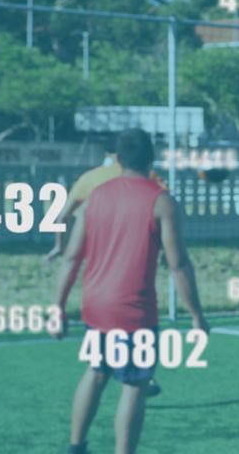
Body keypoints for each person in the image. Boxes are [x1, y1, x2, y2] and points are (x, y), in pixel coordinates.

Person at [54, 128, 210, 454]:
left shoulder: (95, 199)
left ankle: (75, 453)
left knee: (95, 372)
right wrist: (197, 315)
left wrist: (57, 307)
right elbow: (179, 265)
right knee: (135, 385)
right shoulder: (161, 201)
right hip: (133, 311)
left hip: (95, 307)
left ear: (118, 159)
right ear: (151, 158)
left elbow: (71, 258)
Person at [46, 134, 167, 397]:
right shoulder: (150, 178)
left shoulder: (91, 178)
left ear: (114, 155)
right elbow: (162, 213)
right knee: (135, 363)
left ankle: (78, 438)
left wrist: (60, 244)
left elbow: (62, 215)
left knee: (97, 367)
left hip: (98, 278)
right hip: (133, 275)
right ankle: (141, 379)